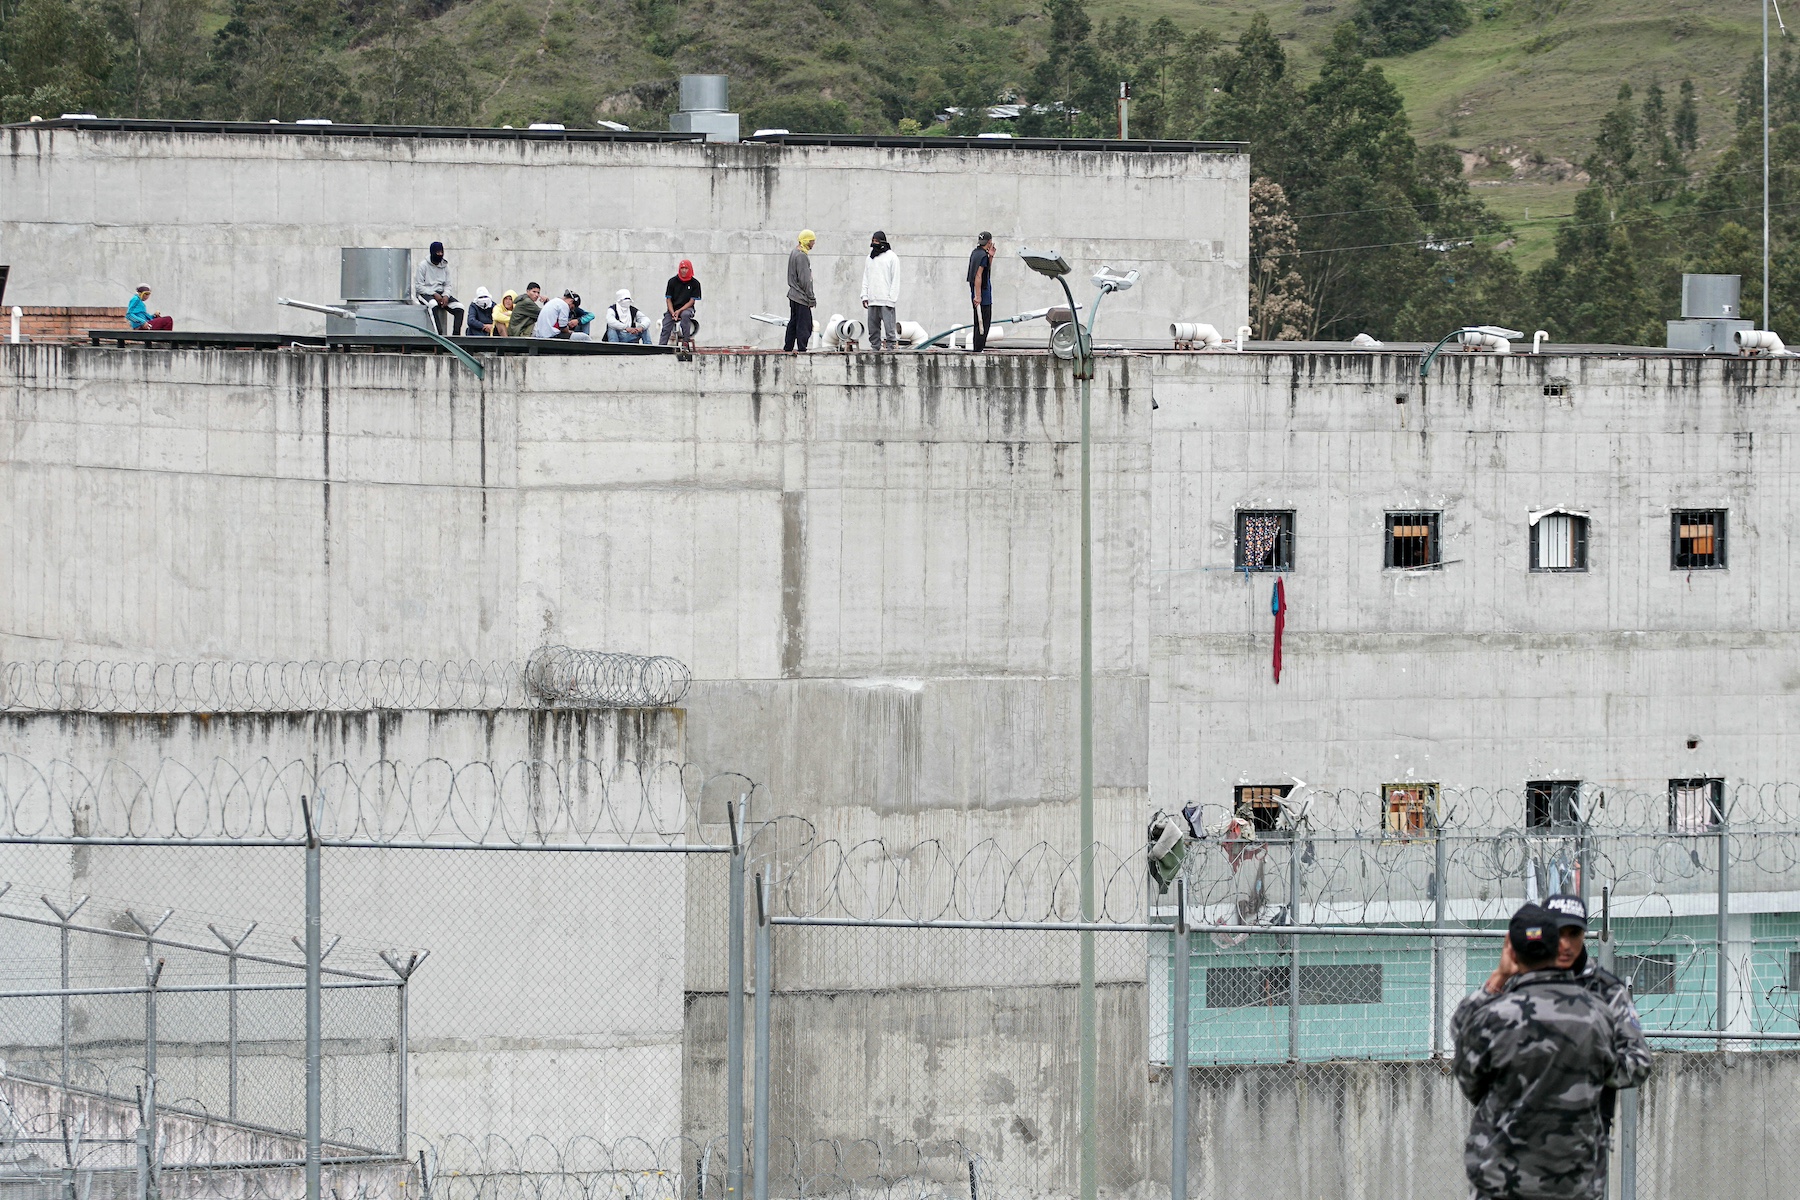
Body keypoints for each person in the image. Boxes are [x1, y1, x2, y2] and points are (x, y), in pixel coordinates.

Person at [1452, 903, 1633, 1200]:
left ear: (1511, 949)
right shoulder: (1598, 1013)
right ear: (1554, 948)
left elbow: (1471, 1083)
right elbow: (1619, 1065)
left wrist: (1498, 977)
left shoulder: (1492, 1017)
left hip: (1502, 1184)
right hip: (1573, 1184)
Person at [1545, 892, 1654, 1191]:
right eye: (1557, 934)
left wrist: (1590, 1063)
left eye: (1573, 934)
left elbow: (1639, 1062)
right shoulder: (1522, 986)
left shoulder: (1607, 992)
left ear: (1584, 935)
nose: (1565, 944)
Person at [414, 241, 464, 336]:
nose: (440, 255)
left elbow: (448, 284)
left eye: (441, 252)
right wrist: (433, 293)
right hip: (425, 293)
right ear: (432, 252)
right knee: (433, 304)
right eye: (438, 253)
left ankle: (456, 336)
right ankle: (439, 336)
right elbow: (418, 286)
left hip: (441, 294)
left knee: (459, 307)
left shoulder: (445, 267)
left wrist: (446, 295)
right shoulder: (423, 266)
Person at [860, 230, 899, 351]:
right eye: (872, 241)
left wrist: (891, 299)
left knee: (889, 328)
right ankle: (875, 349)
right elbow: (866, 277)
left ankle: (891, 349)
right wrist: (864, 295)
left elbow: (895, 279)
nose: (874, 243)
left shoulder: (892, 257)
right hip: (872, 300)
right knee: (873, 328)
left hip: (886, 300)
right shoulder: (870, 258)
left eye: (876, 241)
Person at [786, 230, 817, 352]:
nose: (813, 243)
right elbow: (805, 280)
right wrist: (811, 298)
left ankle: (788, 346)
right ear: (806, 241)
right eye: (812, 240)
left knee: (793, 322)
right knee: (805, 324)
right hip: (801, 296)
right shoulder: (802, 256)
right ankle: (802, 349)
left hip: (793, 294)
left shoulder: (794, 253)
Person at [966, 232, 995, 351]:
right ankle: (978, 349)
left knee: (978, 323)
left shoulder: (976, 253)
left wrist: (991, 257)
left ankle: (977, 348)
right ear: (989, 242)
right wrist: (978, 296)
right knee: (983, 325)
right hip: (983, 295)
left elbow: (985, 271)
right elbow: (978, 276)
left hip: (977, 293)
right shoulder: (982, 256)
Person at [662, 260, 701, 346]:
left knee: (685, 315)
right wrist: (672, 312)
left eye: (686, 268)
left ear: (690, 269)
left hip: (687, 308)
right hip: (673, 308)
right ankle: (662, 346)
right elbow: (668, 299)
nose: (683, 270)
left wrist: (679, 311)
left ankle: (685, 342)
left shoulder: (695, 283)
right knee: (666, 323)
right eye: (682, 268)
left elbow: (692, 301)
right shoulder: (672, 281)